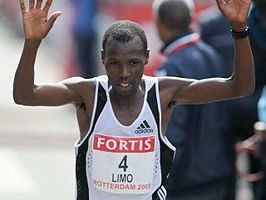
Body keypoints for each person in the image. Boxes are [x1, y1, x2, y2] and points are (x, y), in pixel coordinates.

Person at [14, 0, 254, 199]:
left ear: (147, 58)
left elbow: (240, 87)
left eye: (134, 63)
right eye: (115, 64)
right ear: (102, 58)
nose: (124, 74)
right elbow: (25, 96)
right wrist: (32, 43)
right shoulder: (87, 93)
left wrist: (239, 29)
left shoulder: (163, 94)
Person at [153, 0, 234, 199]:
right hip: (217, 174)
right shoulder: (211, 54)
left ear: (159, 23)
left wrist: (161, 181)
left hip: (186, 184)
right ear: (191, 19)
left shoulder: (171, 69)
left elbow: (172, 133)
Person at [71, 0, 99, 78]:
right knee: (88, 63)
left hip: (82, 30)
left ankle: (88, 83)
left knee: (84, 63)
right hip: (87, 30)